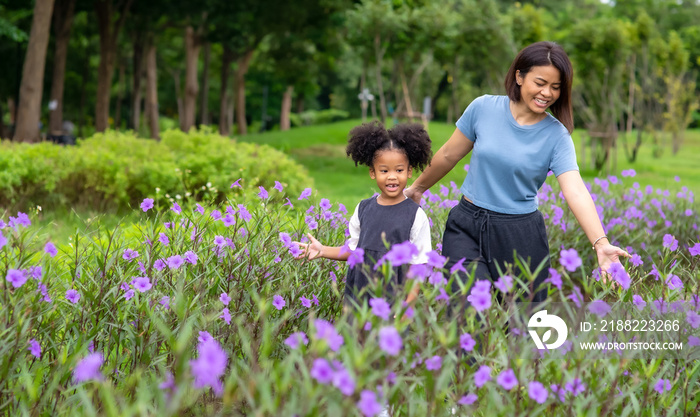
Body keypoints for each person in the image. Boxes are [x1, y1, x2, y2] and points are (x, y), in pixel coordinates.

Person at [403, 41, 630, 306]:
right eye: (540, 82)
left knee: (521, 325)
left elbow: (575, 190)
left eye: (556, 87)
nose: (547, 93)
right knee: (466, 310)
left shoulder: (557, 136)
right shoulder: (483, 108)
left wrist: (600, 243)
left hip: (520, 236)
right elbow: (448, 155)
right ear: (519, 76)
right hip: (467, 226)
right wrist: (416, 188)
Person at [296, 122, 434, 307]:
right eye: (384, 170)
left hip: (394, 301)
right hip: (359, 297)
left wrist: (406, 307)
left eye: (399, 170)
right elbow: (355, 251)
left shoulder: (415, 215)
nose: (392, 176)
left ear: (409, 172)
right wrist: (322, 251)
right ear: (372, 172)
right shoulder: (363, 209)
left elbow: (419, 266)